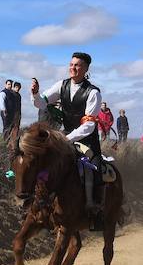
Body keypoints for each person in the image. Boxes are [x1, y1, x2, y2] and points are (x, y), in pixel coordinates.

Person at [31, 52, 103, 216]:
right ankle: (37, 200)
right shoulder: (61, 85)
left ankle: (93, 206)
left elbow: (89, 125)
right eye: (71, 64)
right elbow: (42, 103)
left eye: (77, 65)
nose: (73, 68)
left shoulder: (93, 93)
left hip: (87, 140)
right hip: (65, 136)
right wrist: (35, 93)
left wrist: (66, 138)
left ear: (85, 69)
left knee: (92, 168)